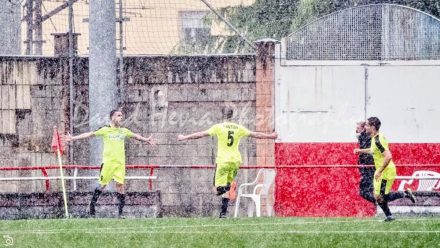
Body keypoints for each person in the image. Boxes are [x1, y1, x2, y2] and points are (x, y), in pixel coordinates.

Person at [177, 107, 277, 218]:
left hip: (223, 161)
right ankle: (223, 213)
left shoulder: (219, 127)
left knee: (217, 190)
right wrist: (270, 136)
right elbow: (256, 134)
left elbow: (200, 134)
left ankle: (228, 188)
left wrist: (185, 137)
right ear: (232, 115)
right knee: (226, 185)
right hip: (235, 162)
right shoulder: (238, 128)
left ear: (222, 115)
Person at [65, 109, 156, 218]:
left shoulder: (124, 131)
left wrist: (146, 140)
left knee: (120, 186)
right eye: (118, 115)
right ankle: (92, 208)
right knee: (102, 185)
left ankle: (120, 213)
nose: (120, 117)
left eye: (121, 116)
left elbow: (135, 136)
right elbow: (90, 134)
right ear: (112, 117)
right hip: (108, 163)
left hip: (120, 164)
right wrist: (73, 138)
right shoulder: (105, 130)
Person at [354, 117, 416, 221]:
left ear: (372, 127)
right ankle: (390, 216)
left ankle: (404, 194)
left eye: (367, 125)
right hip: (381, 171)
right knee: (378, 197)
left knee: (381, 197)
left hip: (386, 171)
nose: (365, 127)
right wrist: (360, 151)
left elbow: (388, 156)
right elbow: (373, 150)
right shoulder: (374, 138)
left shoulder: (378, 139)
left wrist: (379, 170)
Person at [355, 121, 376, 204]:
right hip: (367, 168)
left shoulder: (367, 137)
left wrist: (360, 151)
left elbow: (371, 151)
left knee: (364, 192)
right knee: (365, 191)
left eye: (358, 128)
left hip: (369, 168)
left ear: (363, 128)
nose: (356, 130)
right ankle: (379, 202)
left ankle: (379, 202)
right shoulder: (362, 137)